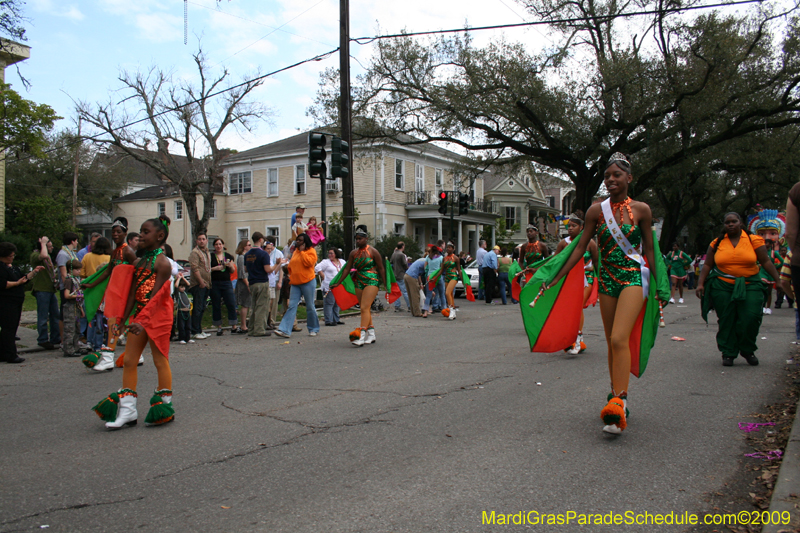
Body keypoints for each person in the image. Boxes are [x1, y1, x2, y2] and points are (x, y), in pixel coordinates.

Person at [545, 153, 660, 435]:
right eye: (607, 176)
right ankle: (615, 396)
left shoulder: (642, 210)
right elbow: (581, 246)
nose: (610, 180)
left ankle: (619, 403)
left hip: (633, 277)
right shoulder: (596, 212)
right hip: (607, 281)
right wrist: (556, 275)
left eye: (616, 175)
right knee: (611, 342)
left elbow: (649, 250)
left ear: (629, 178)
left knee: (620, 337)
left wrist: (659, 285)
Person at [93, 215, 176, 430]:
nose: (140, 235)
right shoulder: (139, 262)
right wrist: (121, 320)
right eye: (140, 231)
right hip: (139, 318)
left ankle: (165, 408)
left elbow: (157, 297)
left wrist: (144, 321)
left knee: (160, 361)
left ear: (159, 236)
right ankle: (128, 411)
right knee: (129, 360)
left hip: (157, 319)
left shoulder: (162, 263)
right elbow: (132, 294)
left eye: (145, 232)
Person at [696, 212, 781, 367]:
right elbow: (708, 264)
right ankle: (728, 352)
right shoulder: (717, 243)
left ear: (740, 223)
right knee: (726, 319)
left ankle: (747, 349)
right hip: (722, 285)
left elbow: (766, 261)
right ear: (724, 225)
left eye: (734, 221)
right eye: (727, 222)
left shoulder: (753, 240)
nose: (730, 224)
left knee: (751, 317)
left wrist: (778, 280)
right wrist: (700, 283)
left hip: (751, 284)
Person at [330, 226, 386, 346]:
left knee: (364, 307)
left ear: (366, 239)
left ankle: (361, 335)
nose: (358, 241)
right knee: (364, 308)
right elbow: (347, 269)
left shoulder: (373, 252)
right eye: (356, 239)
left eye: (360, 239)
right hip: (359, 281)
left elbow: (381, 268)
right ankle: (371, 334)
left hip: (372, 280)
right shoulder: (353, 253)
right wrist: (338, 282)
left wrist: (386, 284)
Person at [555, 213, 600, 355]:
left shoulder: (590, 243)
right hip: (569, 280)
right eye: (569, 226)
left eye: (574, 226)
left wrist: (602, 280)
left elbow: (597, 262)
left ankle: (578, 338)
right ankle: (571, 338)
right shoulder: (563, 243)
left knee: (577, 306)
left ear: (581, 228)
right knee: (569, 309)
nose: (570, 229)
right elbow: (554, 262)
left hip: (587, 279)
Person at [0, 243, 43, 363]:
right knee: (8, 328)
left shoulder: (12, 267)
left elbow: (23, 279)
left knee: (12, 327)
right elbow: (4, 284)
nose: (13, 257)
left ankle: (4, 352)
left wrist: (33, 272)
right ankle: (10, 354)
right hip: (6, 302)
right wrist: (17, 283)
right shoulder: (1, 268)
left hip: (16, 300)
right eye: (11, 256)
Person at [274, 233, 320, 339]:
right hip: (295, 283)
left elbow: (309, 263)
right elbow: (291, 265)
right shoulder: (295, 252)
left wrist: (303, 252)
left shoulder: (311, 251)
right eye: (297, 240)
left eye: (300, 240)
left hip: (308, 281)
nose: (297, 242)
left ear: (305, 242)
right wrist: (289, 273)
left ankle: (313, 328)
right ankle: (285, 330)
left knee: (310, 306)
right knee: (292, 306)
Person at [244, 232, 283, 337]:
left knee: (254, 306)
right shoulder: (263, 254)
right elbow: (268, 269)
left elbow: (245, 269)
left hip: (252, 282)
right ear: (261, 240)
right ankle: (259, 329)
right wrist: (277, 263)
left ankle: (251, 328)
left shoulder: (248, 254)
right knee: (262, 306)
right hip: (262, 281)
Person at [30, 236, 60, 350]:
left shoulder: (48, 259)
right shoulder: (36, 256)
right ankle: (42, 339)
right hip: (42, 289)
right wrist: (43, 243)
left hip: (50, 289)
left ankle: (55, 337)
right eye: (49, 246)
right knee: (43, 316)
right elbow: (43, 255)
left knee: (55, 315)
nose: (52, 248)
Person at [82, 237, 112, 351]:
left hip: (90, 290)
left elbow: (82, 273)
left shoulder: (87, 256)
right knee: (102, 321)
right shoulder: (109, 258)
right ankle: (103, 343)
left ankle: (89, 341)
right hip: (103, 293)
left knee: (91, 318)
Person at [209, 238, 238, 336]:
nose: (218, 246)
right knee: (216, 304)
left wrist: (230, 266)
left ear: (223, 245)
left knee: (231, 302)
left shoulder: (228, 256)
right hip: (215, 282)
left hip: (226, 282)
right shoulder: (211, 256)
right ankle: (219, 327)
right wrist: (215, 268)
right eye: (216, 244)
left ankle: (234, 326)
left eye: (220, 244)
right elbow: (207, 269)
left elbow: (233, 270)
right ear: (214, 246)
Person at [187, 233, 212, 340]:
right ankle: (194, 330)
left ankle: (199, 329)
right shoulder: (195, 253)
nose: (201, 241)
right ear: (196, 241)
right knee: (197, 307)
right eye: (199, 239)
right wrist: (201, 282)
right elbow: (195, 268)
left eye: (203, 239)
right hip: (198, 284)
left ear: (206, 240)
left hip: (207, 283)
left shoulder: (206, 252)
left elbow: (207, 268)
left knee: (202, 307)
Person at [316, 248, 345, 326]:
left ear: (336, 254)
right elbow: (317, 268)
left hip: (338, 286)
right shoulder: (326, 262)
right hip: (329, 285)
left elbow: (345, 270)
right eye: (329, 253)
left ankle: (336, 319)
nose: (330, 255)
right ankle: (328, 320)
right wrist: (322, 275)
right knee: (329, 303)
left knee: (336, 303)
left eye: (332, 253)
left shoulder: (342, 262)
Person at [265, 236, 285, 330]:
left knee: (274, 302)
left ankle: (272, 320)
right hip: (266, 280)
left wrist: (280, 281)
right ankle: (266, 321)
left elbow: (281, 268)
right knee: (267, 302)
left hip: (275, 279)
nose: (268, 249)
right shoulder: (264, 253)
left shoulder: (278, 253)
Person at [61, 271, 83, 358]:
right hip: (70, 307)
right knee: (70, 329)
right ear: (71, 270)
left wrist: (81, 309)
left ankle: (76, 347)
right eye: (77, 269)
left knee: (77, 328)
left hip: (76, 306)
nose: (79, 271)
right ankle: (68, 349)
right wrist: (79, 296)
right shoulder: (69, 280)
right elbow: (67, 295)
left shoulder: (76, 279)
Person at [441, 242, 462, 319]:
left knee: (447, 293)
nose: (448, 249)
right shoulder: (444, 258)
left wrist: (463, 281)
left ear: (453, 249)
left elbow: (459, 270)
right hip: (447, 277)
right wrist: (435, 277)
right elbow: (441, 270)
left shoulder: (456, 258)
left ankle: (451, 311)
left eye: (450, 247)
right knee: (451, 295)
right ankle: (453, 312)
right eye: (447, 247)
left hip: (454, 277)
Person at [234, 239, 251, 334]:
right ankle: (243, 325)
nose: (250, 246)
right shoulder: (241, 257)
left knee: (247, 304)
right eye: (249, 245)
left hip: (247, 281)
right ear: (244, 246)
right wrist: (247, 284)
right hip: (243, 283)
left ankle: (244, 324)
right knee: (245, 304)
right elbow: (242, 273)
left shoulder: (246, 257)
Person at [390, 242, 410, 312]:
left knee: (396, 291)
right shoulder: (401, 255)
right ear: (402, 246)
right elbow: (404, 264)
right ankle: (409, 306)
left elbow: (391, 263)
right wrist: (407, 268)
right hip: (401, 274)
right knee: (405, 291)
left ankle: (397, 306)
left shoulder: (394, 254)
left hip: (395, 274)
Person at [424, 245, 444, 313]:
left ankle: (426, 312)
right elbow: (442, 268)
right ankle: (444, 310)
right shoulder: (441, 257)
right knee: (442, 294)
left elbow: (425, 267)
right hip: (438, 277)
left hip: (430, 277)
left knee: (428, 295)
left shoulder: (428, 257)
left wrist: (427, 274)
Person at [175, 276, 193, 344]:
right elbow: (176, 286)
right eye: (181, 287)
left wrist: (183, 278)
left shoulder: (185, 293)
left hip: (187, 311)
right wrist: (179, 278)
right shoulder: (178, 294)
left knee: (188, 326)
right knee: (181, 326)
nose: (183, 288)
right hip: (181, 311)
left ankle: (187, 338)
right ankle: (181, 338)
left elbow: (188, 284)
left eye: (184, 287)